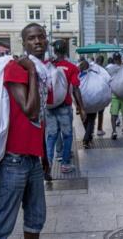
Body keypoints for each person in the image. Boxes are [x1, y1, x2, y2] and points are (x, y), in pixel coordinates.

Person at [0, 23, 50, 239]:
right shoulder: (16, 68)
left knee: (35, 218)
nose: (37, 41)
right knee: (3, 223)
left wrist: (45, 158)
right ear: (23, 43)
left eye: (41, 36)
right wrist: (30, 69)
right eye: (31, 38)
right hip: (14, 160)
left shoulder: (43, 71)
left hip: (33, 159)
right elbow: (31, 111)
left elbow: (41, 118)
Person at [46, 39, 86, 173]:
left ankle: (48, 164)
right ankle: (65, 164)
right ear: (66, 51)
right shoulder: (72, 67)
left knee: (51, 135)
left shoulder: (47, 65)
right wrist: (81, 107)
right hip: (64, 106)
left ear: (54, 51)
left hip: (49, 107)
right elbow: (75, 88)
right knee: (67, 135)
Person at [108, 52, 123, 140]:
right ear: (120, 58)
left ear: (113, 59)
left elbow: (108, 80)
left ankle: (114, 131)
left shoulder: (110, 68)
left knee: (114, 113)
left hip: (115, 94)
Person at [94, 55, 107, 136]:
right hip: (100, 94)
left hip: (92, 94)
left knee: (92, 113)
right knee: (100, 112)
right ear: (102, 62)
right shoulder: (103, 70)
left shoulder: (91, 68)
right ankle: (99, 129)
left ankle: (90, 130)